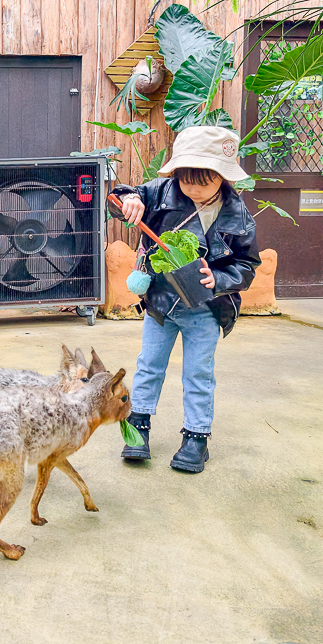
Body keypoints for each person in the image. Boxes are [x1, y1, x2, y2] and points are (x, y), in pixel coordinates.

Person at [108, 126, 261, 473]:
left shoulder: (238, 216)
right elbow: (123, 198)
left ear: (223, 177)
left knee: (198, 373)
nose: (192, 188)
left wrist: (219, 278)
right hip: (161, 303)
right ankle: (138, 428)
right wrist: (129, 199)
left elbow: (247, 265)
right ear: (175, 173)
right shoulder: (161, 192)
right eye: (185, 179)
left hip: (206, 309)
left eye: (203, 181)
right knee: (149, 366)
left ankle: (196, 437)